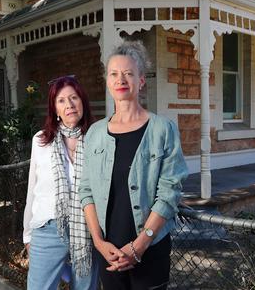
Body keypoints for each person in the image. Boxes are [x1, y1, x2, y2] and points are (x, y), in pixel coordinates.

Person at [79, 41, 188, 290]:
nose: (121, 79)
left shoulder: (163, 129)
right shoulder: (95, 133)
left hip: (150, 251)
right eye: (114, 74)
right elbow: (86, 190)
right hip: (108, 252)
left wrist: (139, 246)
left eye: (129, 73)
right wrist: (98, 242)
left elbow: (170, 192)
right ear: (107, 81)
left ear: (140, 81)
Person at [23, 75, 99, 290]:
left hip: (88, 229)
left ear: (82, 101)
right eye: (62, 100)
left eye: (74, 98)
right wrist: (27, 234)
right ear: (54, 109)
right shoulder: (40, 141)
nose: (69, 105)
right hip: (48, 228)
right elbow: (33, 189)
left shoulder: (97, 138)